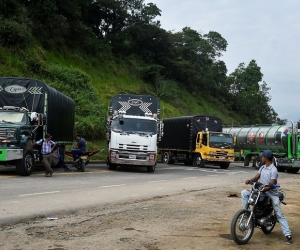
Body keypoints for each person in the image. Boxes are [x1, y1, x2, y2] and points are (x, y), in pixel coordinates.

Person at [241, 150, 293, 245]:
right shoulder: (262, 168)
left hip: (271, 193)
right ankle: (247, 213)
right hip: (260, 191)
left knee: (279, 213)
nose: (261, 158)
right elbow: (256, 178)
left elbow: (273, 183)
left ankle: (288, 234)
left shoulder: (273, 170)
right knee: (244, 193)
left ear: (266, 158)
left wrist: (264, 188)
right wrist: (249, 180)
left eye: (262, 157)